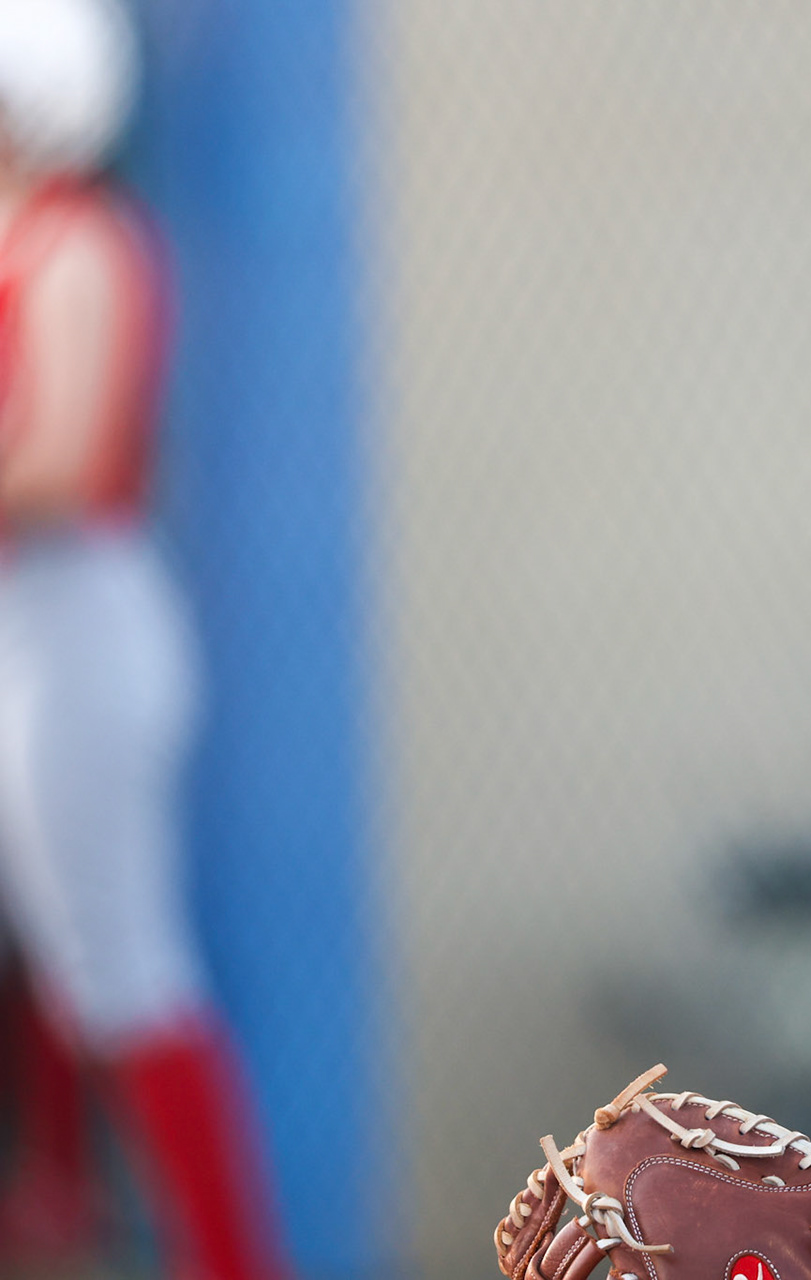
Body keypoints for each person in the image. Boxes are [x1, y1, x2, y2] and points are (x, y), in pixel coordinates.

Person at [0, 2, 290, 1276]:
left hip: (77, 621)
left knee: (124, 962)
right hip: (37, 624)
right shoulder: (35, 233)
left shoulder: (79, 237)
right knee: (63, 943)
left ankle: (233, 1257)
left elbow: (59, 462)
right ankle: (59, 1202)